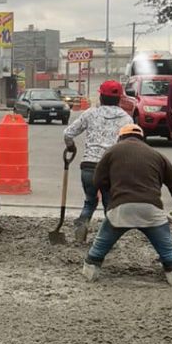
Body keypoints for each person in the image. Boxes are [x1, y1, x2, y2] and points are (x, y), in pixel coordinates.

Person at [82, 124, 172, 288]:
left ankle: (89, 273)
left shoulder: (112, 152)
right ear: (142, 138)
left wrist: (113, 194)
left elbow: (97, 181)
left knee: (97, 250)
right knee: (168, 253)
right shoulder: (157, 155)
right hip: (151, 210)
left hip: (121, 210)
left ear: (120, 138)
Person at [63, 80, 132, 243]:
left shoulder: (90, 113)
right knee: (110, 204)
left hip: (89, 166)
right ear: (120, 99)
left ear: (101, 96)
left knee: (89, 200)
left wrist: (71, 147)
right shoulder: (127, 119)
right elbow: (131, 144)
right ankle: (107, 239)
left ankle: (82, 228)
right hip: (111, 168)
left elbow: (68, 134)